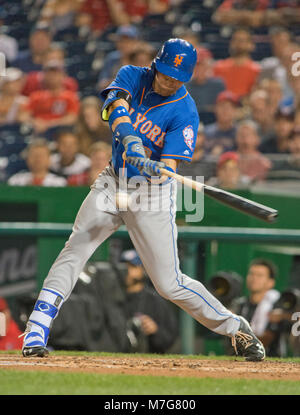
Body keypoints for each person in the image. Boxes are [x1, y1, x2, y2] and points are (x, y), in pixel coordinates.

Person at [20, 38, 265, 362]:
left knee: (168, 283)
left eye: (176, 77)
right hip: (113, 180)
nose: (168, 81)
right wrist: (133, 143)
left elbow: (170, 169)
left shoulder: (185, 112)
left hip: (152, 193)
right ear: (156, 65)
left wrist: (157, 168)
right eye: (164, 73)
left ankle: (235, 327)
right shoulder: (132, 75)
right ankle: (37, 328)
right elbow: (115, 109)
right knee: (76, 247)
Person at [119, 249, 178, 353]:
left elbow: (169, 338)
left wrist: (155, 331)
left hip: (148, 355)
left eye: (132, 266)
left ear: (143, 269)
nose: (127, 270)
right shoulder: (112, 297)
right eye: (124, 266)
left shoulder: (155, 300)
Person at [231, 258, 280, 356]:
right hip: (239, 358)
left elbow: (267, 339)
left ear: (271, 282)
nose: (254, 278)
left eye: (260, 275)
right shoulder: (240, 304)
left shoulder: (276, 304)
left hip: (270, 359)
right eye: (251, 274)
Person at [19, 60, 80, 135]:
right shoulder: (35, 96)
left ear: (63, 75)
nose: (52, 77)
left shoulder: (70, 96)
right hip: (38, 131)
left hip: (60, 132)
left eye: (55, 74)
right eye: (49, 74)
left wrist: (49, 124)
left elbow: (72, 118)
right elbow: (23, 116)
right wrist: (35, 122)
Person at [213, 28, 261, 99]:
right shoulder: (219, 67)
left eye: (242, 41)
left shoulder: (257, 70)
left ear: (251, 45)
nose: (238, 43)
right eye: (235, 40)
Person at [97, 25, 141, 91]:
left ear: (136, 42)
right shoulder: (112, 58)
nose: (124, 44)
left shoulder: (142, 58)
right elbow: (102, 84)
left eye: (128, 41)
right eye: (121, 41)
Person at [187, 48, 226, 114]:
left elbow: (223, 108)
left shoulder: (218, 84)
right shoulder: (186, 87)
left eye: (202, 65)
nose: (199, 69)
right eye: (197, 65)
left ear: (208, 66)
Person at [204, 90, 239, 156]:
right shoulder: (205, 132)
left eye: (229, 107)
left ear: (235, 111)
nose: (225, 110)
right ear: (215, 109)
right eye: (222, 106)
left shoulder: (239, 134)